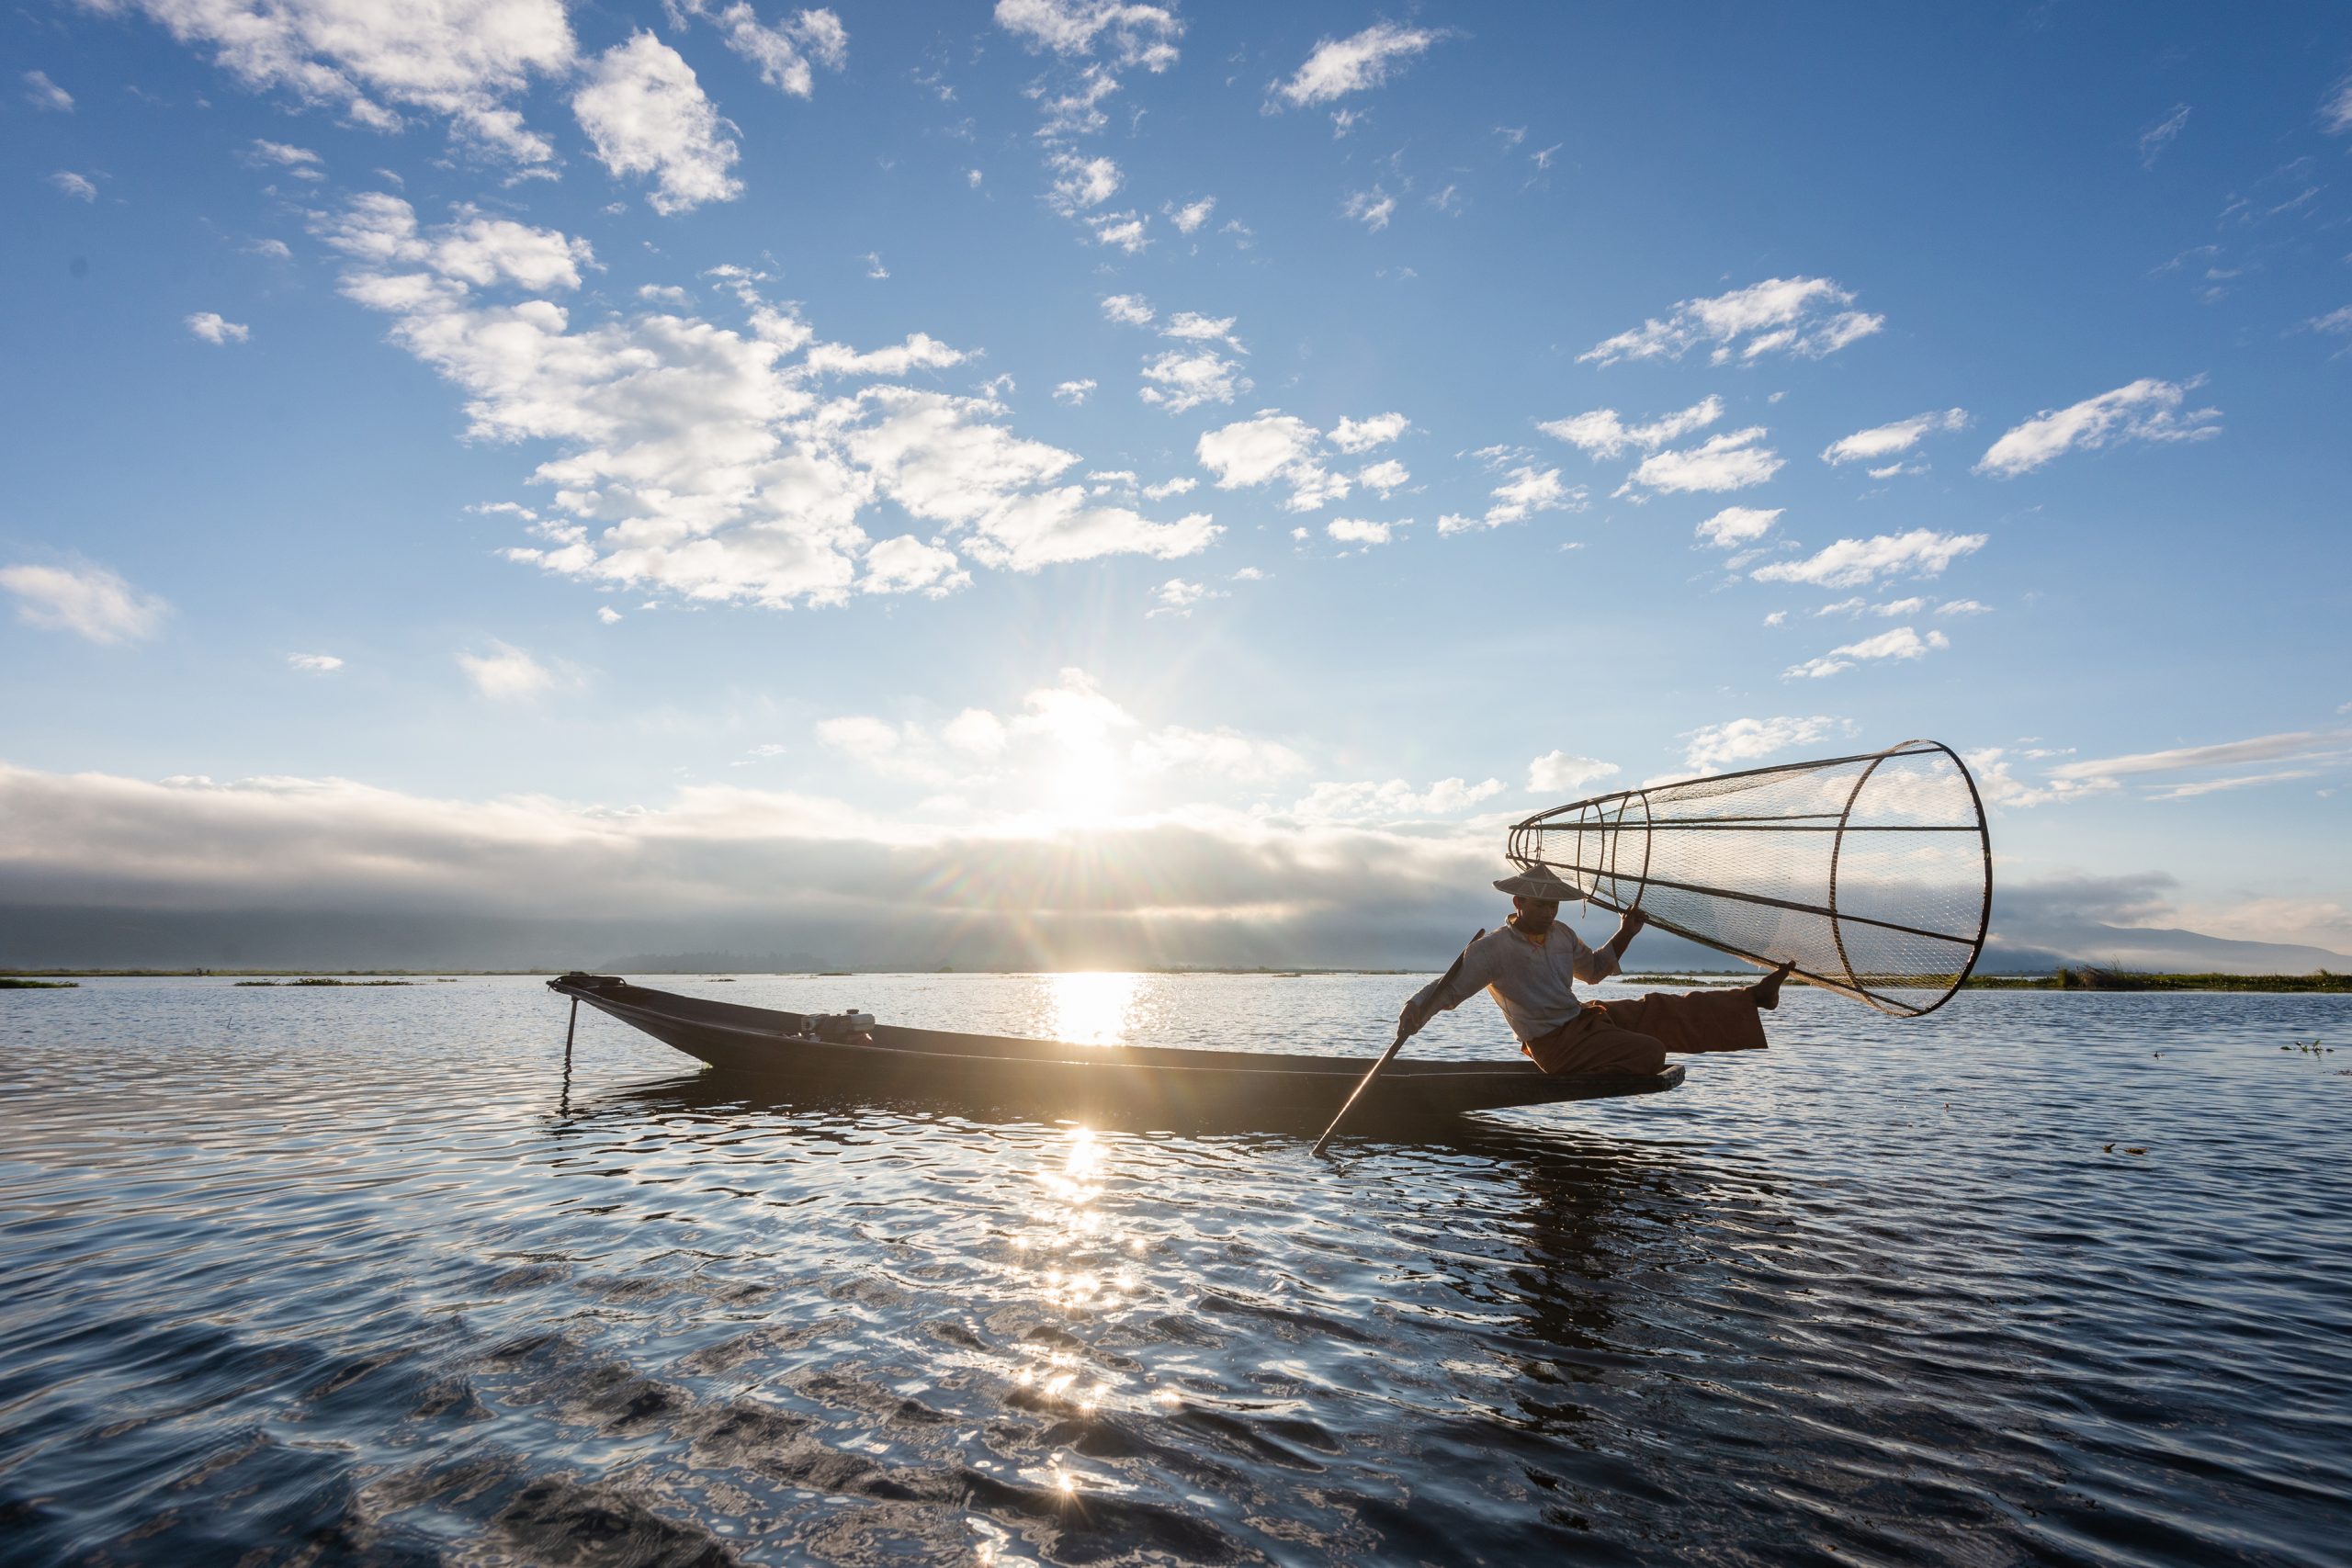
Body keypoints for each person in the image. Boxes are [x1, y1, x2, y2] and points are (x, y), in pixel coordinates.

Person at [1397, 864, 1794, 1076]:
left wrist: (1627, 932)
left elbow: (1595, 972)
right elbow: (1448, 988)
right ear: (1519, 902)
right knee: (1651, 1052)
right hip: (1554, 1044)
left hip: (1580, 1022)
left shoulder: (1561, 934)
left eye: (1554, 906)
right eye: (1541, 905)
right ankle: (1612, 1056)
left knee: (1658, 1006)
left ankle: (1753, 998)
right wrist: (1416, 1009)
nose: (1549, 912)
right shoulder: (1493, 949)